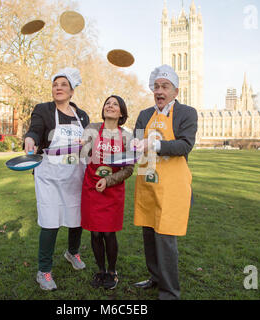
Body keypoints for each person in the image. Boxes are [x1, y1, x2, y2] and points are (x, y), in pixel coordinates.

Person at [131, 65, 198, 300]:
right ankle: (155, 277)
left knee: (165, 237)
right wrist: (133, 146)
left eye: (165, 86)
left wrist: (154, 145)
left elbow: (184, 145)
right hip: (147, 181)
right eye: (156, 86)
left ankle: (169, 291)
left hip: (172, 184)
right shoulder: (144, 114)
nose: (160, 91)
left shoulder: (187, 113)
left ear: (175, 91)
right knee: (149, 234)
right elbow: (136, 142)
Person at [24, 67, 90, 291]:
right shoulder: (43, 110)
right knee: (50, 220)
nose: (58, 88)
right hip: (50, 174)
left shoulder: (82, 116)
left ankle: (72, 252)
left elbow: (88, 143)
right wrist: (30, 140)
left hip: (74, 174)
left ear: (72, 91)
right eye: (55, 84)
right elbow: (35, 130)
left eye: (63, 85)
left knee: (77, 217)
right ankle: (44, 270)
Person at [80, 95, 134, 290]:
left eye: (115, 104)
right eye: (107, 103)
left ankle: (112, 271)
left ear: (121, 113)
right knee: (95, 233)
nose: (110, 106)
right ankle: (101, 270)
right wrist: (81, 146)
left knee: (109, 234)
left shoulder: (127, 137)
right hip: (91, 188)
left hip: (112, 191)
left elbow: (128, 169)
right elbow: (83, 155)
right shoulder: (91, 129)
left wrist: (108, 180)